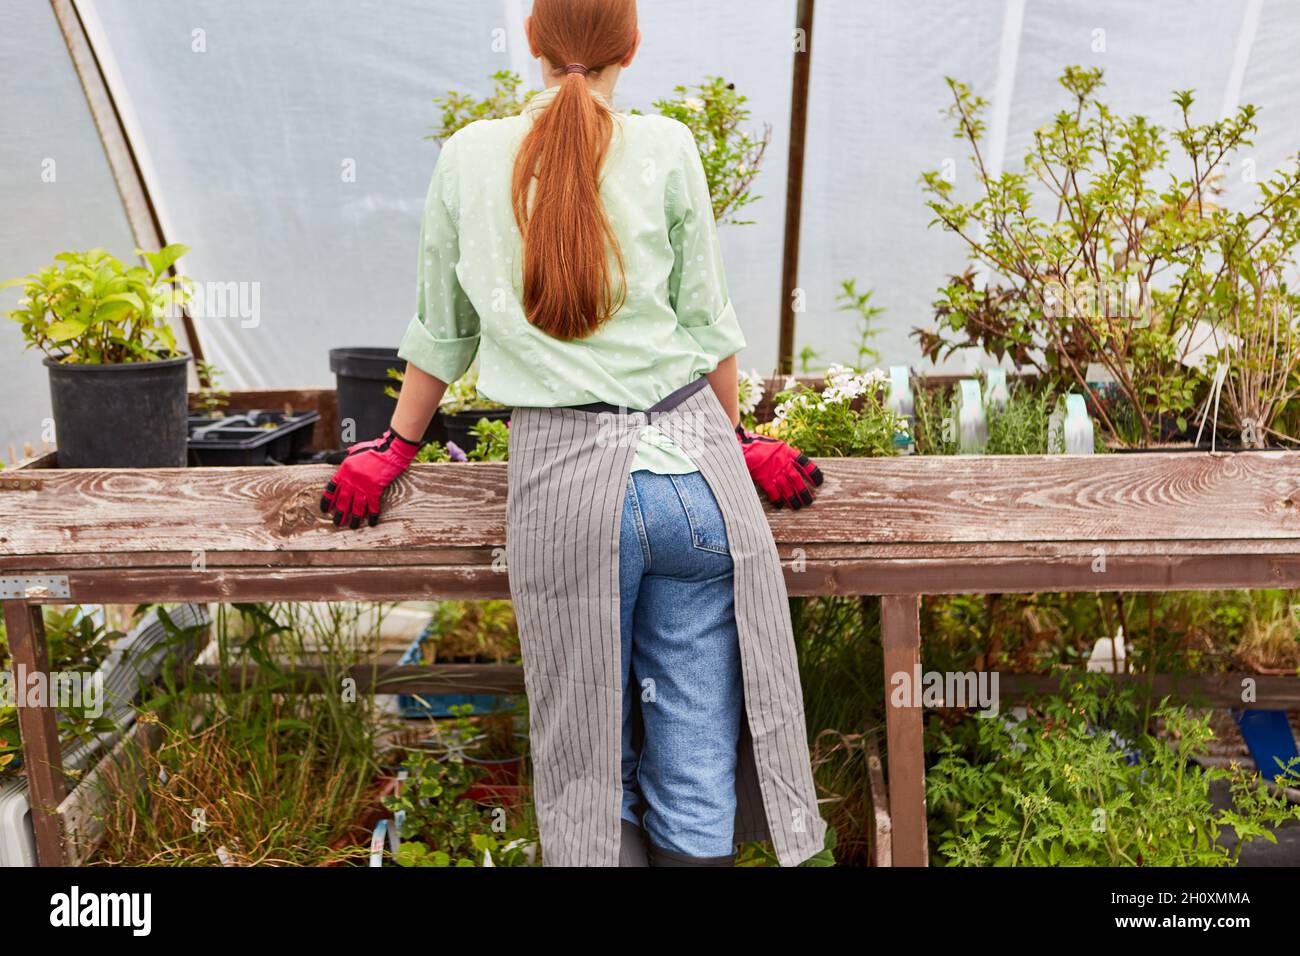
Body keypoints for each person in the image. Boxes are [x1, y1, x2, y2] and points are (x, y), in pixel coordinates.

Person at [321, 0, 827, 867]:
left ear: (532, 44)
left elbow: (443, 334)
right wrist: (740, 442)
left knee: (585, 765)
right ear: (633, 45)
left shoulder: (470, 157)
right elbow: (708, 332)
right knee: (696, 752)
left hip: (566, 500)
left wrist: (394, 448)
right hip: (695, 485)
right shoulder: (667, 147)